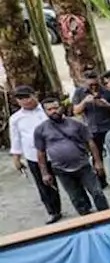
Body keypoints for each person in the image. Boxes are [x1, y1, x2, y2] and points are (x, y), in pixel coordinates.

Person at [34, 96, 109, 216]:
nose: (53, 111)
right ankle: (87, 220)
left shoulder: (76, 124)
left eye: (55, 108)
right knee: (76, 198)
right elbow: (41, 153)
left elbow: (91, 143)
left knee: (97, 193)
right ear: (45, 112)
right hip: (61, 169)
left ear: (61, 107)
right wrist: (44, 173)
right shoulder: (40, 130)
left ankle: (107, 216)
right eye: (49, 109)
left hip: (83, 165)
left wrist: (98, 162)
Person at [9, 85, 61, 224]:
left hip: (57, 151)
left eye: (27, 97)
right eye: (20, 99)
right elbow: (16, 139)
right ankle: (53, 211)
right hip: (34, 155)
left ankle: (83, 205)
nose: (25, 101)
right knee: (43, 185)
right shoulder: (16, 118)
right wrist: (16, 158)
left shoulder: (47, 110)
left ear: (35, 95)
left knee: (69, 178)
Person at [70, 70, 110, 178]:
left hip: (109, 127)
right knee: (96, 156)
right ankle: (101, 178)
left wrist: (106, 105)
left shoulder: (107, 92)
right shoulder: (79, 93)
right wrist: (84, 102)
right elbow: (75, 111)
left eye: (96, 84)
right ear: (85, 82)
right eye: (90, 85)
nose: (93, 87)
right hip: (92, 129)